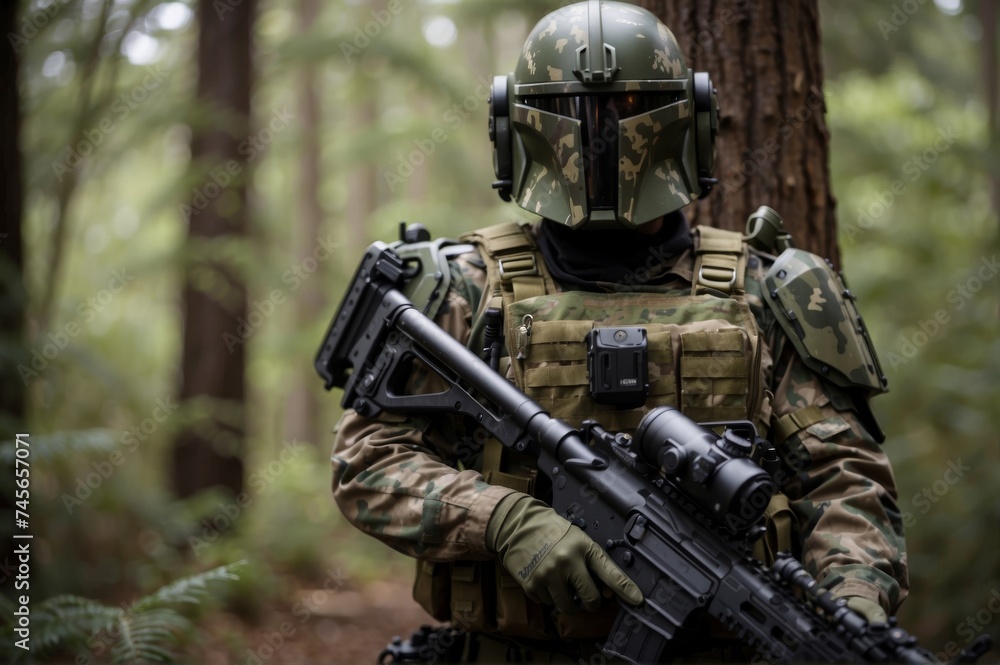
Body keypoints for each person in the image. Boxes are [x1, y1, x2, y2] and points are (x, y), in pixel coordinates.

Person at [330, 1, 908, 661]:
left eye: (628, 110)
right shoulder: (464, 290)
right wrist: (500, 520)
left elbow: (845, 478)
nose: (599, 136)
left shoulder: (766, 290)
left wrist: (850, 608)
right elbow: (367, 464)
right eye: (572, 113)